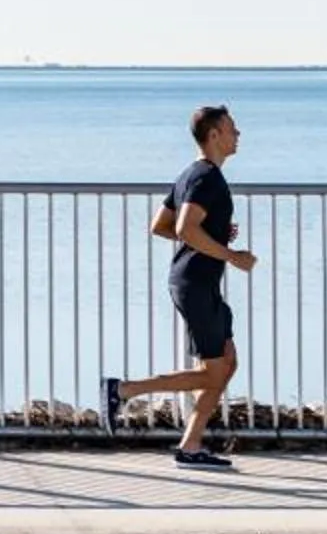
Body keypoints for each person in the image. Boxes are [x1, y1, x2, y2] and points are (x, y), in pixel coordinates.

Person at [105, 105, 255, 469]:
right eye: (232, 128)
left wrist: (214, 233)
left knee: (227, 363)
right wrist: (231, 255)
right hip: (196, 284)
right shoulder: (207, 178)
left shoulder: (192, 173)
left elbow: (162, 225)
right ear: (215, 135)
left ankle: (191, 446)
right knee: (214, 371)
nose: (239, 134)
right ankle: (123, 391)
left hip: (197, 282)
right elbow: (185, 229)